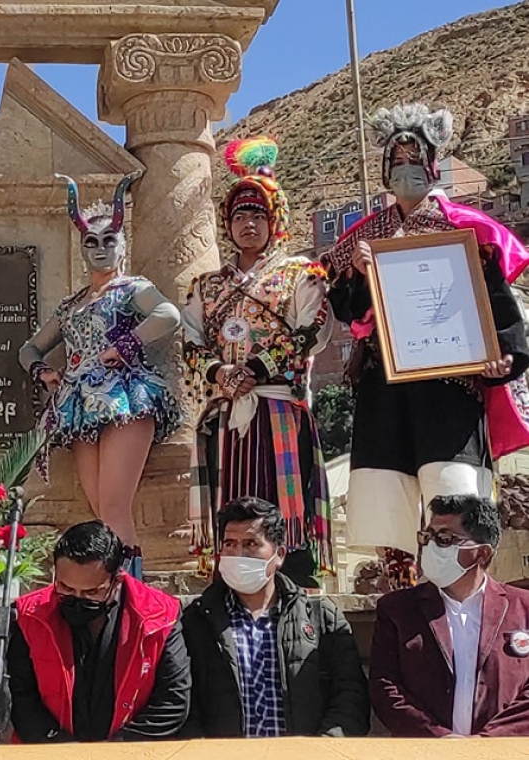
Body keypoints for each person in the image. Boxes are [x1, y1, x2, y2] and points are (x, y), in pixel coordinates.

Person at [325, 104, 529, 590]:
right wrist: (355, 270)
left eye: (415, 162)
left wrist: (505, 357)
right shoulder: (364, 237)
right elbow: (349, 311)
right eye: (396, 164)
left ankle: (465, 595)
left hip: (451, 385)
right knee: (388, 498)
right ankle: (401, 596)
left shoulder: (466, 230)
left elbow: (498, 305)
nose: (405, 171)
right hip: (385, 384)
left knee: (454, 490)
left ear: (433, 166)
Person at [182, 137, 334, 587]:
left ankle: (292, 588)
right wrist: (220, 372)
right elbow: (190, 339)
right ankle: (229, 587)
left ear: (276, 221)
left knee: (284, 506)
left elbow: (311, 330)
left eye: (258, 215)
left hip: (279, 410)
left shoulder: (301, 275)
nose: (248, 224)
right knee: (230, 504)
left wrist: (257, 370)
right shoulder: (206, 286)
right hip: (226, 414)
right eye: (239, 215)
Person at [19, 173, 181, 574]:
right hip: (80, 405)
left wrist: (124, 346)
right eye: (91, 242)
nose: (101, 248)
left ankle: (129, 594)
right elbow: (29, 347)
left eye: (110, 240)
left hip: (125, 397)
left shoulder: (131, 288)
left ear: (122, 245)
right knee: (99, 507)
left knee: (113, 506)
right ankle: (112, 588)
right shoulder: (72, 304)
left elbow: (168, 315)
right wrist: (43, 372)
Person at [182, 496, 368, 738]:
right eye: (230, 544)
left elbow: (350, 695)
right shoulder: (197, 620)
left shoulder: (320, 616)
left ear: (278, 554)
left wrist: (323, 748)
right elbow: (183, 701)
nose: (238, 553)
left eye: (250, 544)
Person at [8, 520, 191, 742]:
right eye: (66, 588)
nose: (78, 598)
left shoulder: (161, 616)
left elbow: (172, 700)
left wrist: (113, 751)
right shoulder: (29, 616)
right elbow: (23, 699)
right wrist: (65, 750)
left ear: (117, 581)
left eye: (92, 592)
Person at [370, 494, 529, 737]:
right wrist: (439, 738)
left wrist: (488, 742)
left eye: (444, 539)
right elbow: (385, 687)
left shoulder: (523, 608)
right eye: (427, 536)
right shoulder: (397, 610)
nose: (430, 547)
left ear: (482, 553)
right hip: (425, 752)